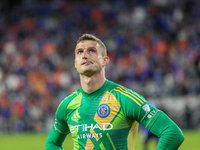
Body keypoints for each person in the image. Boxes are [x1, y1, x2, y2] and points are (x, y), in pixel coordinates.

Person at [46, 33, 184, 150]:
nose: (85, 55)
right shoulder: (67, 105)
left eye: (92, 51)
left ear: (105, 60)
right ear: (75, 63)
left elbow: (172, 133)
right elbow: (52, 143)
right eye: (80, 52)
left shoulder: (124, 99)